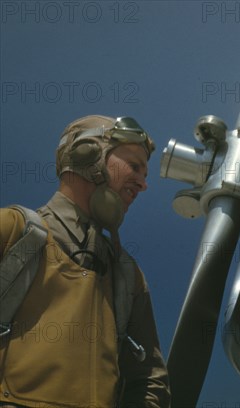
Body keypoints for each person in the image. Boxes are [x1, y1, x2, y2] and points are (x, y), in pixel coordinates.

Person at [0, 115, 170, 407]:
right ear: (88, 153)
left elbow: (149, 381)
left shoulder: (128, 275)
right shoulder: (12, 229)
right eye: (134, 166)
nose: (143, 184)